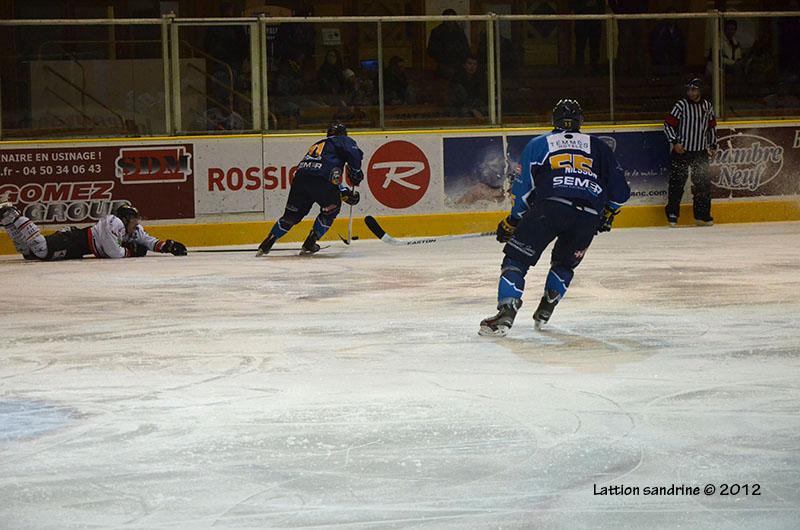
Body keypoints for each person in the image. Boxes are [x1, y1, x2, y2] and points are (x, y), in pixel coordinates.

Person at [479, 100, 630, 336]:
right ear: (580, 120)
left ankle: (506, 312)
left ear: (554, 119)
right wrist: (608, 213)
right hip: (588, 216)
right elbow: (621, 193)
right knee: (565, 263)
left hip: (549, 208)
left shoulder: (539, 144)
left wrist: (514, 221)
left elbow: (523, 190)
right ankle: (546, 308)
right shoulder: (599, 147)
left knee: (516, 260)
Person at [257, 123, 363, 255]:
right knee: (331, 209)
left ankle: (268, 241)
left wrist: (343, 191)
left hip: (300, 180)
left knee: (290, 216)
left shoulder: (319, 144)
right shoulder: (342, 140)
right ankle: (311, 241)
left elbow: (316, 174)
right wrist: (356, 172)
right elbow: (352, 154)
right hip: (322, 181)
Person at [0, 203, 187, 260]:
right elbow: (113, 252)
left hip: (78, 247)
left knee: (29, 253)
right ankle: (15, 215)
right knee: (41, 250)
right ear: (126, 218)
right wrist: (130, 252)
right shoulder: (113, 222)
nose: (137, 223)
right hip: (74, 239)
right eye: (135, 219)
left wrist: (166, 246)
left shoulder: (132, 229)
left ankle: (8, 224)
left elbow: (147, 240)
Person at [663, 78, 717, 226]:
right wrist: (675, 142)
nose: (691, 92)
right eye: (689, 90)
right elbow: (668, 125)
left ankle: (702, 215)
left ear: (700, 91)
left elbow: (711, 127)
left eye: (694, 90)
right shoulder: (681, 105)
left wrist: (712, 145)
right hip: (682, 151)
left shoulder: (707, 106)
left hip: (700, 152)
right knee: (677, 183)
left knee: (703, 184)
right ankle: (672, 213)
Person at [427, 9, 470, 79]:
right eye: (448, 18)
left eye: (452, 18)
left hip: (459, 63)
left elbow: (465, 47)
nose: (450, 21)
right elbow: (431, 50)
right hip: (443, 63)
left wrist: (463, 61)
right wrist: (441, 58)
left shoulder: (459, 31)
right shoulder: (437, 32)